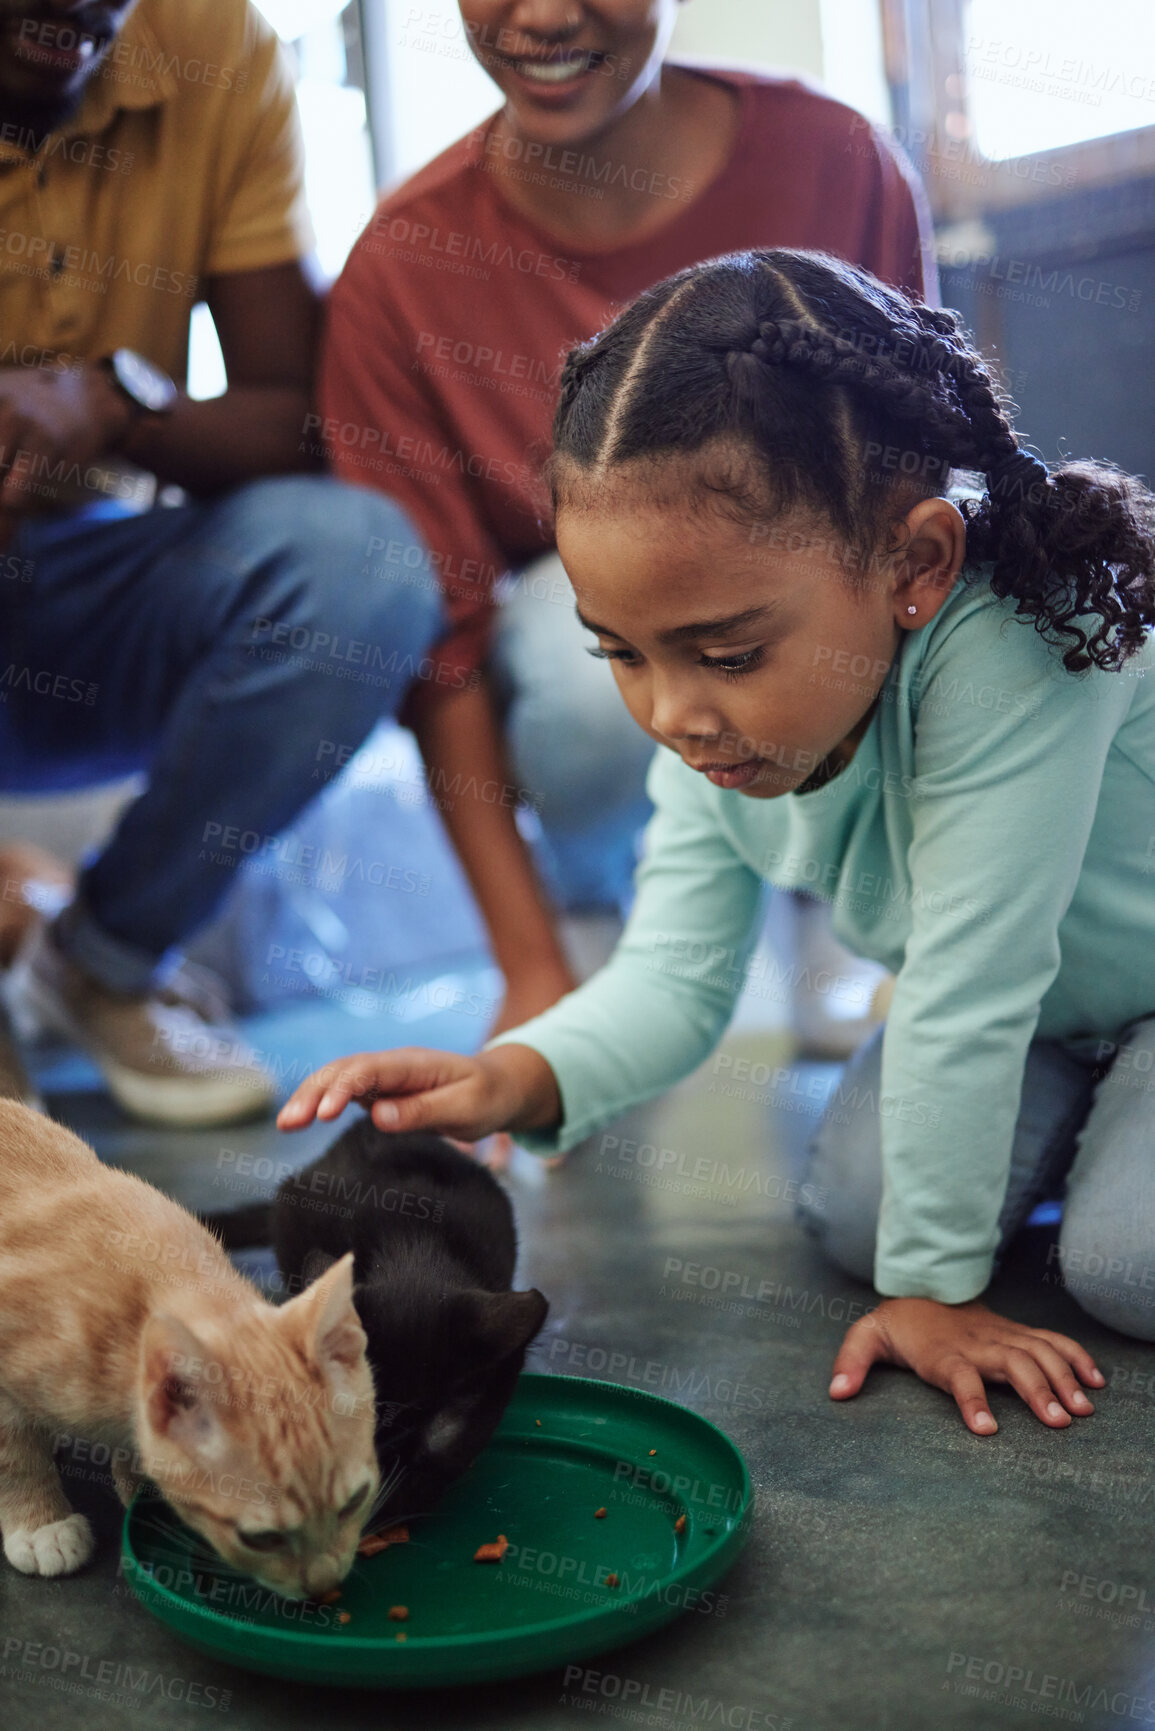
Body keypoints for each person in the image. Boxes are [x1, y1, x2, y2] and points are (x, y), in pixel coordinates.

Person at [280, 247, 1155, 1431]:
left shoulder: (1021, 641)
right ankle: (1087, 1132)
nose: (671, 714)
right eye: (622, 652)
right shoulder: (712, 724)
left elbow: (968, 985)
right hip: (1053, 1018)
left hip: (1087, 990)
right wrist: (515, 1074)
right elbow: (674, 978)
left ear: (916, 564)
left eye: (729, 655)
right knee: (859, 1213)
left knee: (1126, 1266)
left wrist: (933, 1292)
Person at [321, 0, 935, 1038]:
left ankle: (850, 898)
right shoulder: (401, 268)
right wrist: (531, 969)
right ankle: (611, 918)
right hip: (576, 713)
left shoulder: (837, 159)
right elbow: (442, 650)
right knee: (589, 674)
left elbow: (928, 475)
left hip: (847, 669)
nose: (547, 13)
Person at [0, 0, 444, 1124]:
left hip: (81, 602)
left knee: (357, 566)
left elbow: (290, 418)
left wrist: (106, 401)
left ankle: (100, 958)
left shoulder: (210, 44)